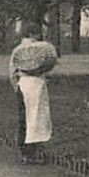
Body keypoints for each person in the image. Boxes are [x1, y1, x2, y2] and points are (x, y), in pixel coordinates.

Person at [8, 21, 57, 164]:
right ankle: (35, 150)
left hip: (23, 84)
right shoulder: (42, 48)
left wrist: (16, 86)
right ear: (33, 34)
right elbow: (49, 64)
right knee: (39, 118)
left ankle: (24, 151)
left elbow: (12, 72)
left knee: (24, 118)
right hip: (38, 84)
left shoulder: (18, 49)